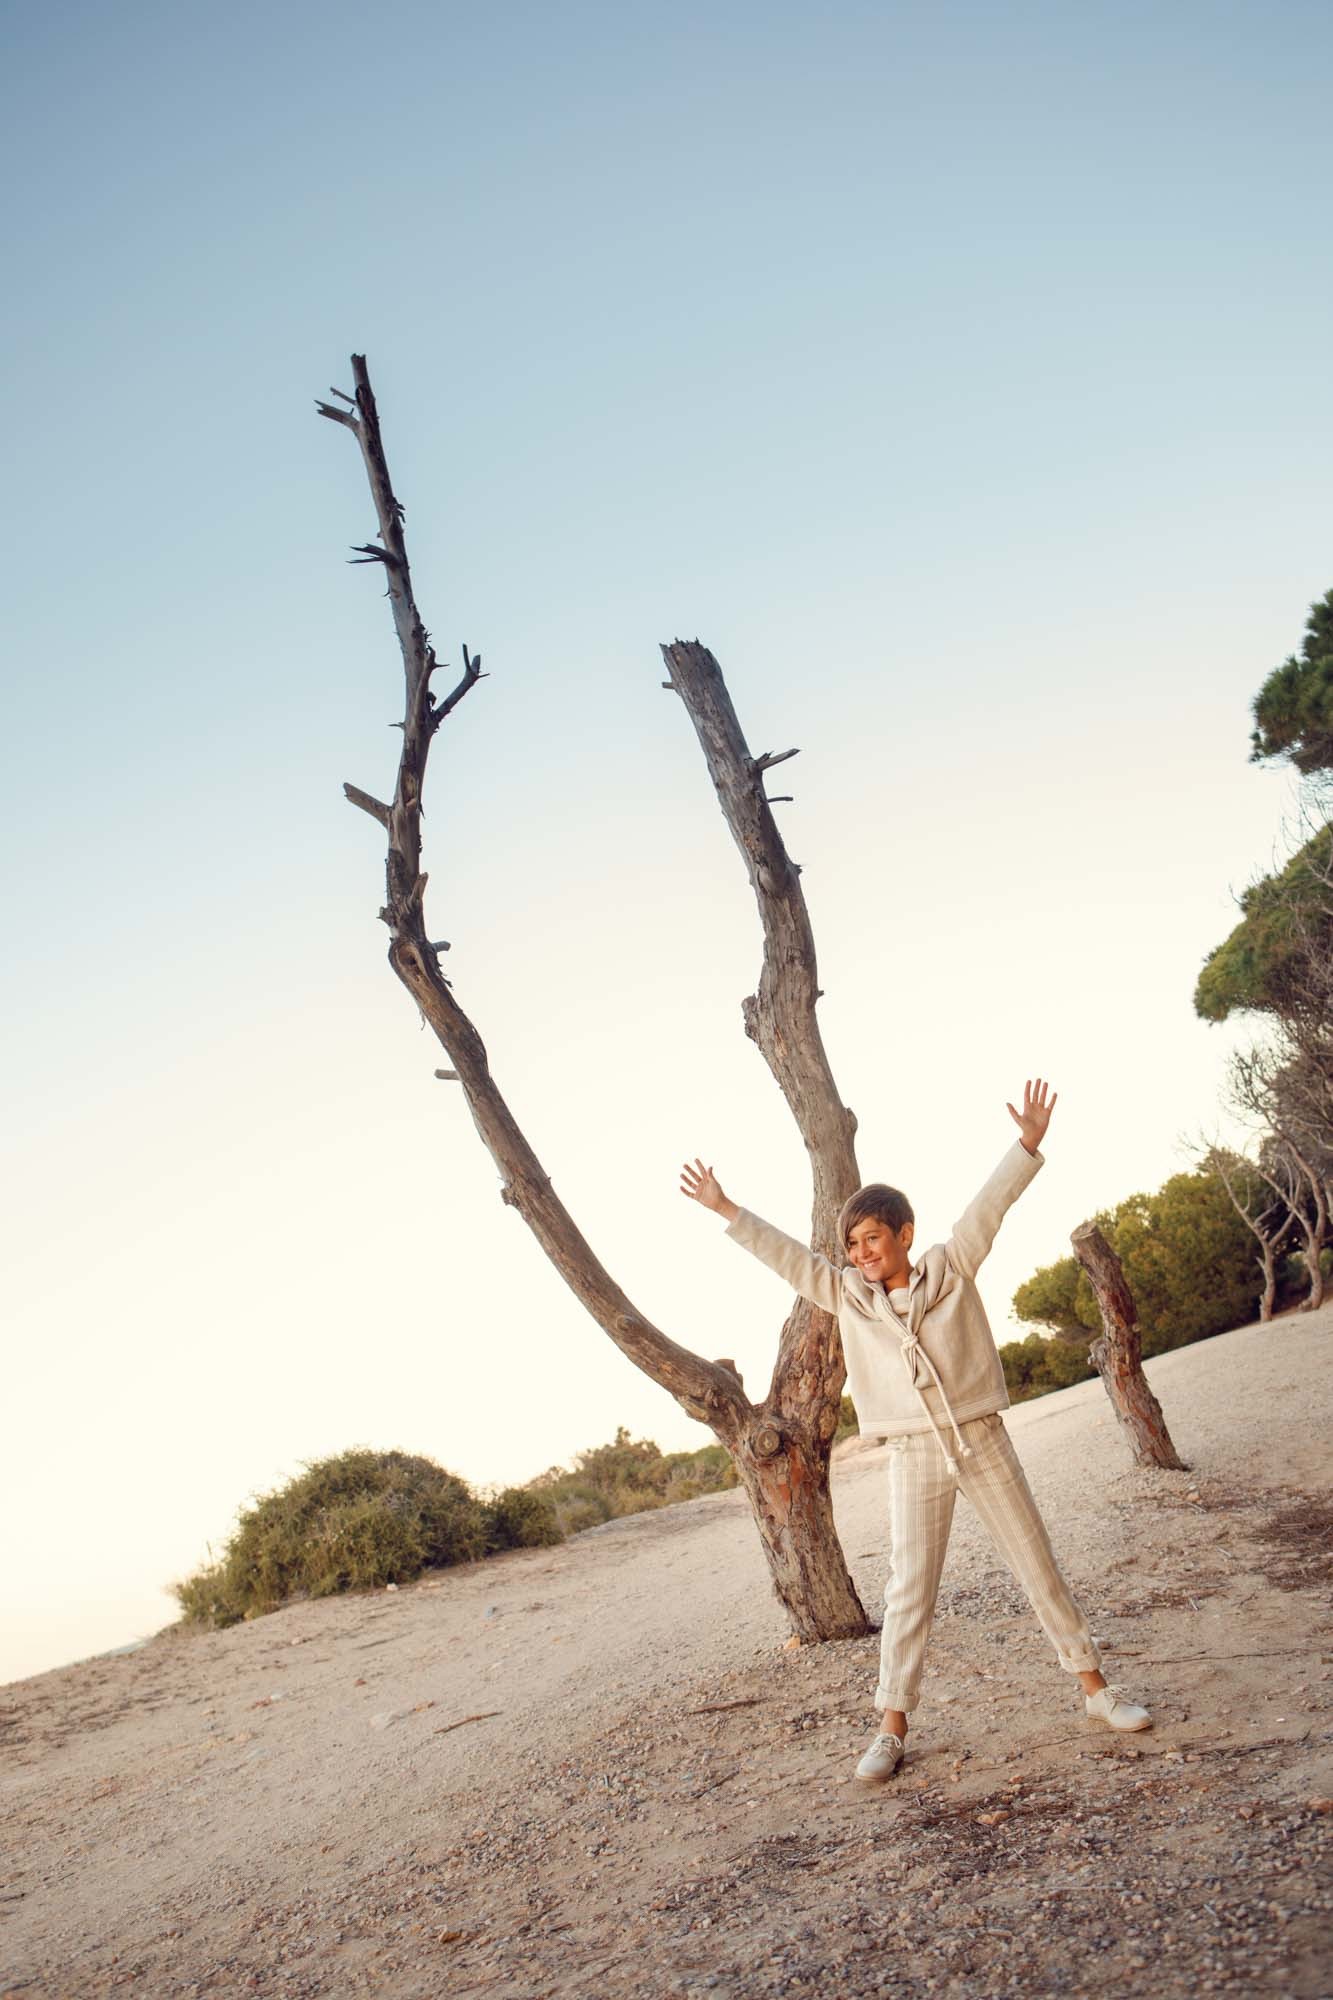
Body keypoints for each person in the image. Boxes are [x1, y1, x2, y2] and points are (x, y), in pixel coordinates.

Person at [680, 1078, 1151, 1784]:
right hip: (911, 1451)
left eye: (872, 1237)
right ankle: (890, 1727)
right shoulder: (847, 1295)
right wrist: (726, 1208)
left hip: (978, 1437)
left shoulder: (949, 1266)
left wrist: (1026, 1145)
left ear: (903, 1234)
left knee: (1036, 1563)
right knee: (909, 1591)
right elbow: (792, 1260)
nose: (862, 1251)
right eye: (852, 1243)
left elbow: (987, 1208)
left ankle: (1096, 1691)